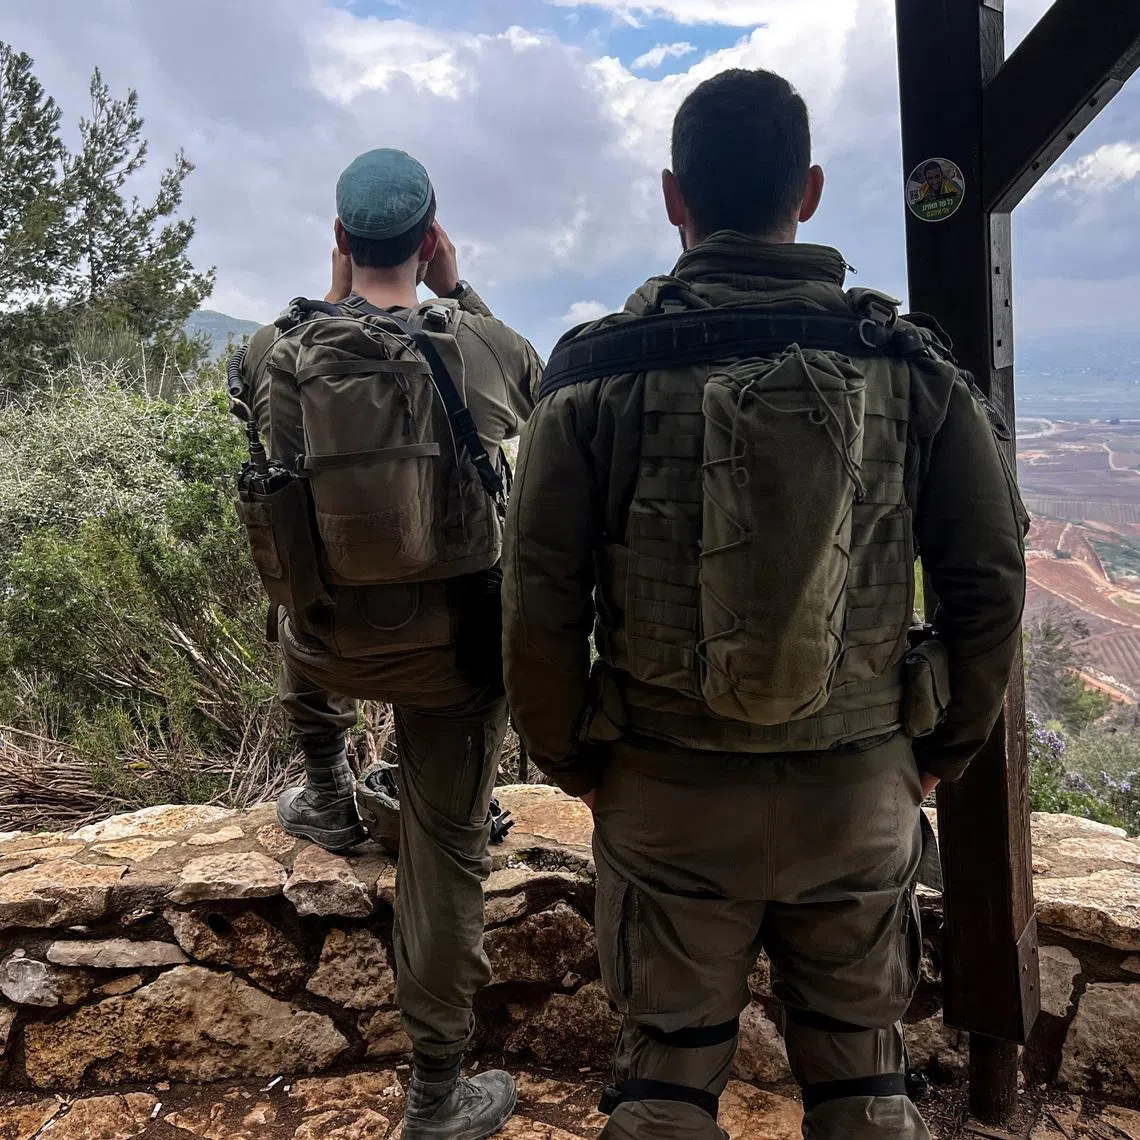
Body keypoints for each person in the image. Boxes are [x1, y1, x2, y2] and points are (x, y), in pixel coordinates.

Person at [502, 69, 1027, 1140]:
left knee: (664, 1087)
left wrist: (579, 764)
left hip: (664, 786)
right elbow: (988, 580)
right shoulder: (910, 367)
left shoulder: (595, 372)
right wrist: (939, 751)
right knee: (864, 1089)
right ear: (813, 189)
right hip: (859, 788)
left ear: (671, 196)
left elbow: (540, 604)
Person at [239, 147, 542, 1140]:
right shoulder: (472, 347)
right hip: (451, 657)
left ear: (340, 241)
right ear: (431, 238)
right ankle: (436, 1095)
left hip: (325, 644)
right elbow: (534, 390)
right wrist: (463, 289)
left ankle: (326, 791)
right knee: (447, 854)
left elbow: (267, 450)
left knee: (294, 578)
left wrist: (327, 306)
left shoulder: (274, 352)